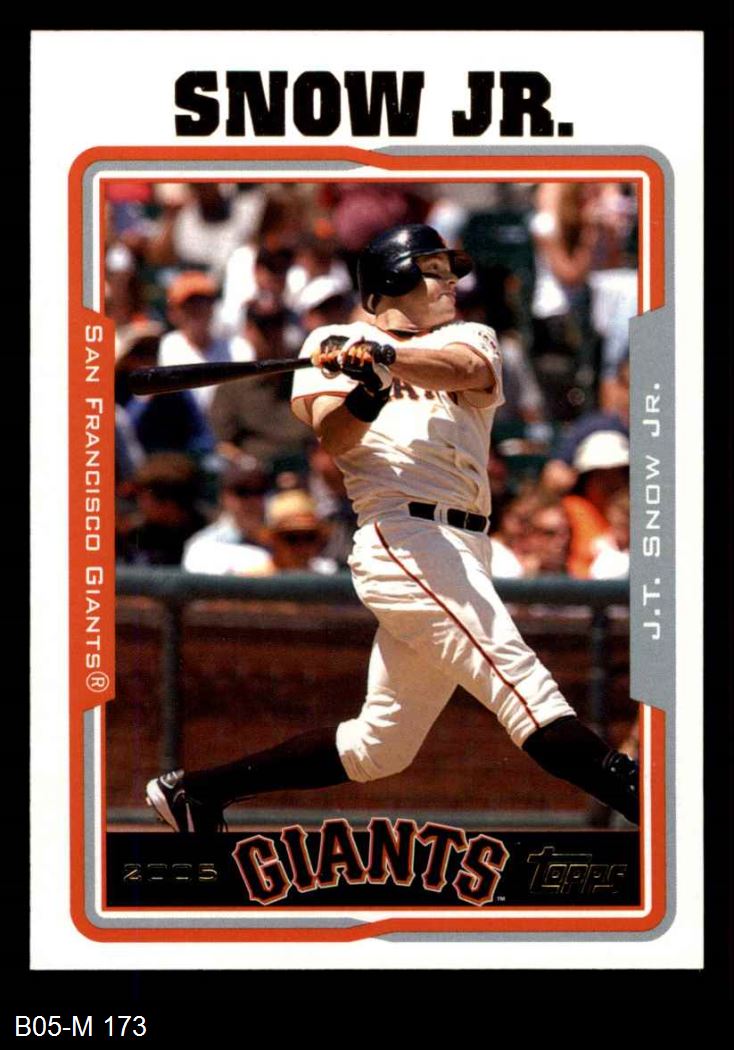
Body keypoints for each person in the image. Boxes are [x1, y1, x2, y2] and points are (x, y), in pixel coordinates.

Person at [146, 224, 638, 832]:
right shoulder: (329, 341)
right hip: (404, 539)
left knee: (380, 746)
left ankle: (197, 793)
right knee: (526, 691)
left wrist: (385, 357)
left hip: (465, 545)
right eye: (434, 271)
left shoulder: (468, 335)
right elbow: (336, 436)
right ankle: (652, 810)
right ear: (392, 278)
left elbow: (462, 369)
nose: (451, 283)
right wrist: (367, 391)